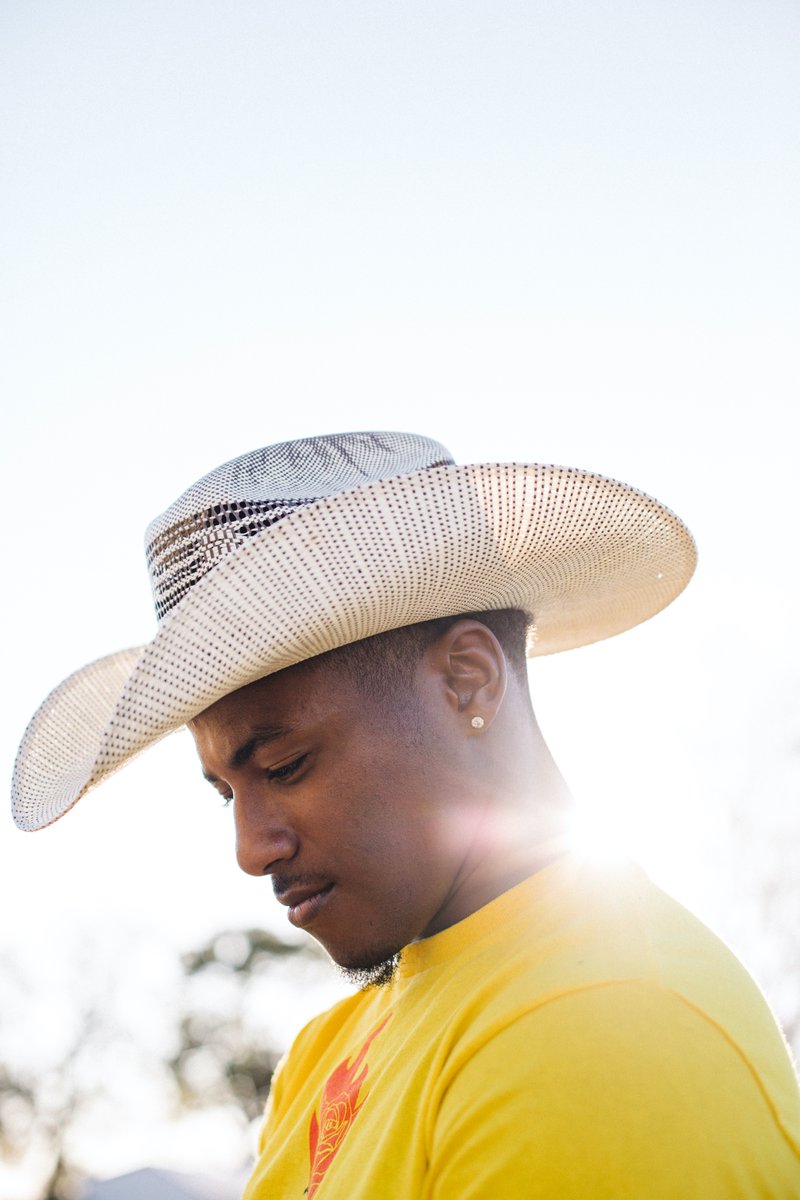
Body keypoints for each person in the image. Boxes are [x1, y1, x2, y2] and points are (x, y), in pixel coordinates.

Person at [13, 431, 800, 1197]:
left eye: (286, 767)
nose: (252, 849)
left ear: (467, 680)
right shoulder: (334, 1048)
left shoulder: (603, 1030)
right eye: (226, 792)